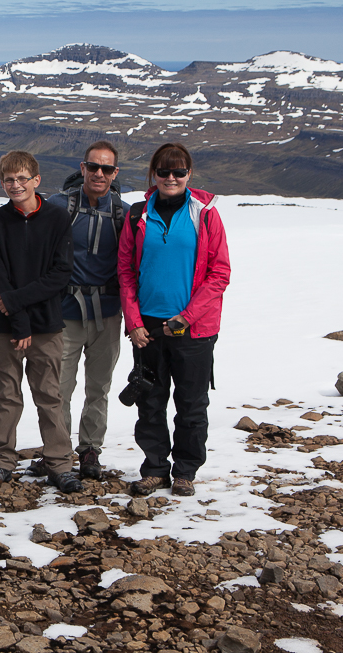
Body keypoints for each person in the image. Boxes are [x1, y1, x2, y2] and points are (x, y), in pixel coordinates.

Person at [117, 142, 231, 498]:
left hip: (194, 329)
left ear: (188, 174)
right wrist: (134, 322)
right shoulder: (138, 215)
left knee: (191, 403)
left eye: (178, 171)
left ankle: (184, 471)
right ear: (154, 174)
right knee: (150, 401)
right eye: (164, 171)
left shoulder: (206, 215)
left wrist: (185, 317)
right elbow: (125, 271)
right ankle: (154, 469)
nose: (171, 177)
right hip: (148, 329)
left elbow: (220, 273)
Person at [0, 151, 80, 493]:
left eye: (22, 178)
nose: (15, 185)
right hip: (6, 325)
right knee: (5, 395)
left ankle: (59, 463)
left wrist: (19, 307)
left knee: (49, 395)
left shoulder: (56, 218)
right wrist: (19, 321)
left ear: (37, 180)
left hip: (47, 324)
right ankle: (3, 460)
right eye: (9, 180)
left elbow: (60, 274)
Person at [43, 141, 129, 480]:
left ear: (114, 173)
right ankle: (58, 451)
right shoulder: (59, 206)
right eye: (93, 167)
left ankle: (90, 448)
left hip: (107, 312)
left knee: (99, 386)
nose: (99, 174)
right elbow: (32, 246)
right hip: (65, 311)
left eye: (106, 169)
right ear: (82, 168)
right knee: (58, 387)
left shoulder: (123, 213)